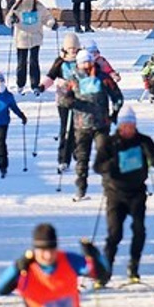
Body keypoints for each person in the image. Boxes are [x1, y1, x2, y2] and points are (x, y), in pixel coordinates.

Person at [92, 106, 154, 283]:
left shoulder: (143, 141)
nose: (128, 129)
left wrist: (152, 157)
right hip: (115, 193)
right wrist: (110, 164)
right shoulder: (110, 143)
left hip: (137, 192)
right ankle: (105, 271)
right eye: (125, 126)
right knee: (114, 234)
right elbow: (97, 167)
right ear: (120, 126)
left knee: (139, 230)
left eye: (131, 126)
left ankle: (134, 267)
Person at [61, 50, 123, 200]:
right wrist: (70, 102)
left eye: (88, 61)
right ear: (78, 64)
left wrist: (114, 114)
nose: (86, 65)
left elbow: (118, 97)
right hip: (81, 126)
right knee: (82, 158)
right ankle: (81, 189)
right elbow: (64, 98)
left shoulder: (103, 77)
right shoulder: (73, 79)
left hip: (101, 124)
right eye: (83, 62)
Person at [44, 32, 83, 170]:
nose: (72, 50)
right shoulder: (60, 61)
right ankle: (63, 158)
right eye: (69, 47)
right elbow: (51, 76)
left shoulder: (82, 60)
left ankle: (78, 153)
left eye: (74, 47)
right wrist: (42, 86)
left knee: (78, 127)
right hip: (63, 99)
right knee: (66, 127)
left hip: (80, 98)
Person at [9, 0, 54, 94]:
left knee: (34, 62)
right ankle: (20, 84)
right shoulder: (17, 6)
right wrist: (12, 20)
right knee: (21, 63)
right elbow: (8, 20)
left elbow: (46, 17)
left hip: (35, 38)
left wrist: (52, 23)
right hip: (21, 38)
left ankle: (35, 85)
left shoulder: (38, 6)